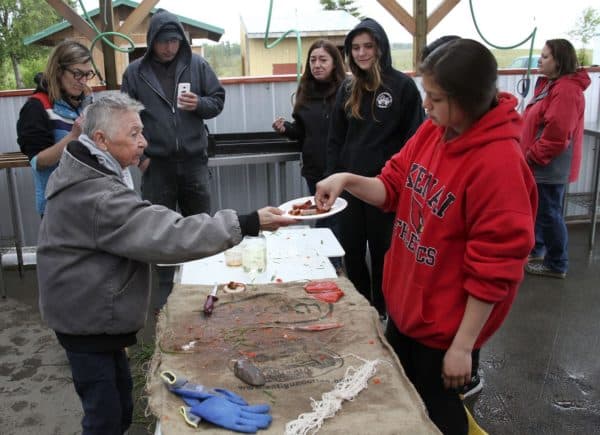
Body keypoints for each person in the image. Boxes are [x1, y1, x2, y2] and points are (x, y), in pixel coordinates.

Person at [36, 93, 295, 435]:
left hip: (90, 313)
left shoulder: (91, 168)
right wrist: (246, 222)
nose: (144, 142)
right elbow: (165, 233)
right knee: (104, 418)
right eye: (133, 134)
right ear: (101, 139)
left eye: (142, 132)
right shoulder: (97, 194)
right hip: (84, 316)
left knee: (119, 405)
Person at [315, 39, 537, 434]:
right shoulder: (434, 131)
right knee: (403, 405)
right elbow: (393, 186)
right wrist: (347, 180)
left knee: (438, 416)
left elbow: (495, 270)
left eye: (433, 98)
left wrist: (463, 346)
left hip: (445, 331)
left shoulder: (500, 165)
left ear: (466, 99)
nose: (426, 106)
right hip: (406, 313)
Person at [121, 9, 225, 309]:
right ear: (152, 40)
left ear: (182, 40)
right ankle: (166, 307)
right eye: (163, 41)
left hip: (194, 164)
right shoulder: (135, 73)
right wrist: (140, 158)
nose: (169, 47)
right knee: (160, 237)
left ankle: (205, 296)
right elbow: (125, 118)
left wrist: (200, 104)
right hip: (157, 168)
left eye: (175, 41)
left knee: (202, 233)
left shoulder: (197, 65)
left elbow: (218, 100)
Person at [326, 18, 425, 317]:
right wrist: (333, 180)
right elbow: (335, 139)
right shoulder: (347, 88)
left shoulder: (403, 86)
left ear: (380, 47)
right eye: (355, 47)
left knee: (385, 252)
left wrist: (404, 187)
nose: (361, 53)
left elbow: (414, 140)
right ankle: (361, 307)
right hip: (351, 189)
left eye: (368, 46)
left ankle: (385, 309)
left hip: (387, 189)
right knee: (351, 250)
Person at [272, 39, 346, 272]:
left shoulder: (348, 90)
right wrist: (287, 128)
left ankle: (332, 267)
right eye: (313, 60)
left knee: (336, 220)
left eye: (323, 60)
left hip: (342, 170)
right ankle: (325, 267)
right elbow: (302, 132)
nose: (317, 65)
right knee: (323, 218)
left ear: (335, 63)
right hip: (314, 169)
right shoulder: (304, 92)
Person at [522, 39, 591, 279]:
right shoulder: (552, 85)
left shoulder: (566, 90)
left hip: (548, 164)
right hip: (543, 163)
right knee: (542, 210)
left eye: (545, 56)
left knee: (549, 212)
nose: (539, 60)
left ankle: (557, 263)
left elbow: (558, 134)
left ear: (559, 61)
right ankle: (539, 249)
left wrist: (532, 155)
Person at [17, 40, 94, 216]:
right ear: (58, 70)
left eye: (87, 74)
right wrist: (72, 137)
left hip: (87, 203)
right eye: (77, 74)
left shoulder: (84, 102)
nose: (82, 81)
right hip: (57, 210)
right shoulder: (36, 107)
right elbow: (38, 161)